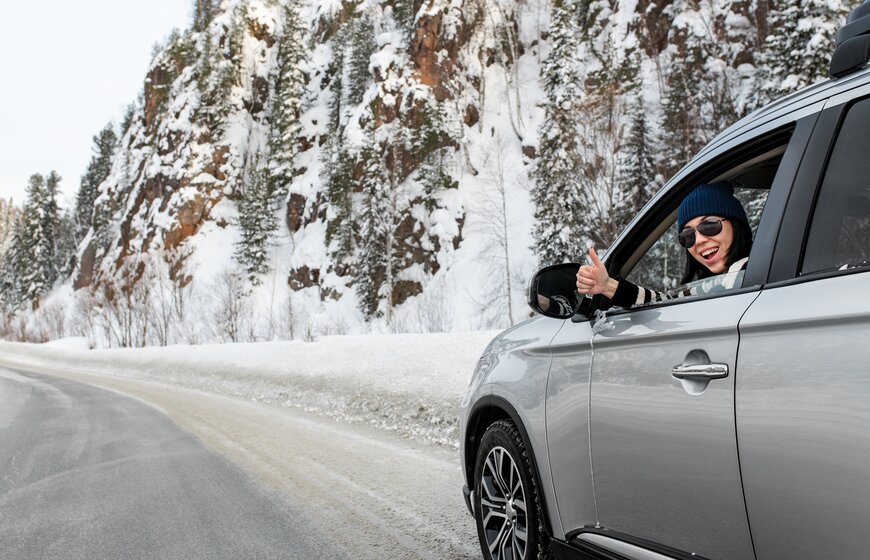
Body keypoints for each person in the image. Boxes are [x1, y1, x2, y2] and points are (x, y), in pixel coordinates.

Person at [576, 181, 753, 308]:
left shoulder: (750, 271)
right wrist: (608, 286)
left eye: (709, 225)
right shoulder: (709, 285)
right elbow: (663, 304)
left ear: (737, 224)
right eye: (687, 235)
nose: (698, 240)